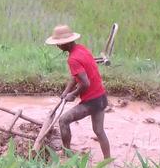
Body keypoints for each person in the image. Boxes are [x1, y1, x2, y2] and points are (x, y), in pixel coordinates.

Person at [45, 24, 111, 160]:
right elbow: (77, 76)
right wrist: (66, 91)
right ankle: (108, 160)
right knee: (99, 131)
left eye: (59, 44)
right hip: (101, 97)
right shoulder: (82, 49)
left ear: (66, 43)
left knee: (63, 121)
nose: (57, 46)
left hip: (92, 101)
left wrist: (73, 94)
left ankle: (66, 154)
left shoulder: (73, 59)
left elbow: (85, 83)